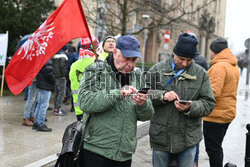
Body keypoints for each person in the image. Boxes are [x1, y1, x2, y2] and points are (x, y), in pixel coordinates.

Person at [78, 35, 154, 167]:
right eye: (126, 59)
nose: (130, 65)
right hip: (96, 151)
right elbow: (85, 102)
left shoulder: (137, 76)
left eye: (134, 60)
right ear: (115, 52)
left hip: (124, 154)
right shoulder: (95, 71)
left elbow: (148, 115)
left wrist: (143, 104)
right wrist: (117, 93)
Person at [145, 32, 215, 167]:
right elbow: (143, 95)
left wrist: (191, 106)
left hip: (188, 138)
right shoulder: (157, 69)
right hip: (161, 137)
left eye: (189, 60)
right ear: (174, 53)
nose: (184, 63)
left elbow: (209, 103)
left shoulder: (201, 74)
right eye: (181, 59)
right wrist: (162, 96)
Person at [203, 37, 240, 167]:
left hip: (215, 115)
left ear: (215, 51)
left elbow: (213, 92)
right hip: (226, 112)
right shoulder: (232, 65)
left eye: (211, 51)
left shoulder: (219, 66)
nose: (210, 53)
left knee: (213, 149)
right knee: (217, 147)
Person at [69, 36, 99, 121]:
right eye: (96, 47)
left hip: (78, 108)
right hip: (92, 108)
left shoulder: (74, 65)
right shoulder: (97, 63)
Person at [32, 58, 55, 132]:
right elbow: (49, 74)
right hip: (45, 85)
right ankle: (41, 124)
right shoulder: (47, 60)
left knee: (39, 104)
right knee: (43, 105)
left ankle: (36, 123)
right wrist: (55, 81)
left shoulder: (42, 59)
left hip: (41, 84)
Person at [53, 45, 68, 116]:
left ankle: (55, 108)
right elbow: (63, 67)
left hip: (56, 77)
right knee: (61, 93)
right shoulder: (63, 56)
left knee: (57, 92)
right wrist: (64, 75)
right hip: (61, 77)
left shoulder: (56, 56)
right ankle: (58, 109)